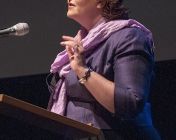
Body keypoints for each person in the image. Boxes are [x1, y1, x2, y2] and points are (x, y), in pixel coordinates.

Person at [47, 0, 161, 139]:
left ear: (101, 2)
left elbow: (131, 102)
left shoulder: (129, 37)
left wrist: (82, 70)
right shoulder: (85, 42)